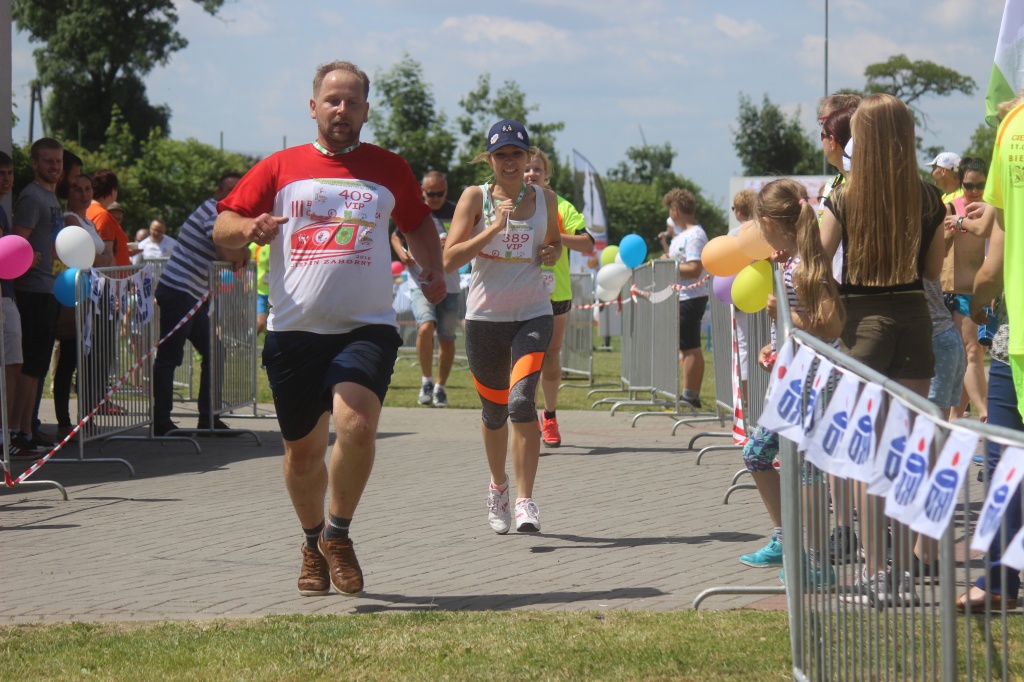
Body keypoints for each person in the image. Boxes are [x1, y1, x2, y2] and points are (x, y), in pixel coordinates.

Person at [213, 60, 446, 597]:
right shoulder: (279, 167)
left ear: (366, 109)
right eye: (332, 100)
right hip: (294, 333)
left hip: (365, 327)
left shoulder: (388, 168)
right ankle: (311, 540)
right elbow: (224, 228)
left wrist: (434, 273)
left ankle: (338, 535)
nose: (342, 110)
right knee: (302, 454)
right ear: (313, 105)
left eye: (353, 101)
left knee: (357, 424)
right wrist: (249, 225)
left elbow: (418, 223)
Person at [820, 93, 946, 606]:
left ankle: (875, 572)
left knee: (868, 457)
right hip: (915, 318)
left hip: (863, 321)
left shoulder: (845, 195)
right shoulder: (927, 197)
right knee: (905, 451)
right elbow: (933, 273)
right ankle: (901, 569)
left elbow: (819, 261)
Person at [444, 118, 561, 534]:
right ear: (489, 159)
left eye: (517, 154)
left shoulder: (545, 198)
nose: (510, 162)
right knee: (494, 412)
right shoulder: (474, 198)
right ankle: (498, 488)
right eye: (501, 155)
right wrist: (493, 228)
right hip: (485, 318)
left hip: (532, 313)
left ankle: (527, 501)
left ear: (529, 158)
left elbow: (553, 244)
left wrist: (550, 252)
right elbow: (449, 258)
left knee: (521, 402)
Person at [738, 178, 844, 588]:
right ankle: (787, 540)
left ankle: (817, 563)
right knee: (758, 454)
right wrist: (776, 344)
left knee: (808, 474)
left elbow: (832, 322)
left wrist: (784, 315)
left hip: (812, 383)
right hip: (795, 379)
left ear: (768, 221)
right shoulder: (793, 260)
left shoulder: (806, 267)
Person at [152, 174, 250, 436]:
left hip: (193, 295)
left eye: (237, 191)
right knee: (170, 356)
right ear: (218, 190)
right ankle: (161, 422)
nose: (233, 196)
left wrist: (239, 251)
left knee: (215, 351)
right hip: (178, 292)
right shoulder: (215, 212)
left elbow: (230, 251)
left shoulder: (225, 215)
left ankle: (208, 418)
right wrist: (246, 252)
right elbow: (226, 253)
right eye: (229, 190)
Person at [524, 149, 594, 446]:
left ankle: (549, 416)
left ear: (547, 174)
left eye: (537, 169)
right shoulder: (509, 205)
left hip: (555, 293)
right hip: (518, 291)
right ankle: (525, 417)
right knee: (525, 359)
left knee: (551, 357)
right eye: (527, 169)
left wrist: (553, 235)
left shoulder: (562, 207)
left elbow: (588, 244)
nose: (531, 174)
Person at [52, 163, 117, 439]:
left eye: (88, 188)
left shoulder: (88, 220)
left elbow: (107, 258)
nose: (83, 193)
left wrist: (101, 259)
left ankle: (86, 418)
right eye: (77, 188)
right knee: (68, 360)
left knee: (89, 361)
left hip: (95, 297)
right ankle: (64, 422)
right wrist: (102, 259)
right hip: (74, 298)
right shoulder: (70, 218)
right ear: (68, 191)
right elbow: (92, 258)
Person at [390, 170, 462, 408]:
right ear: (422, 192)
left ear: (446, 190)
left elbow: (473, 235)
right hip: (420, 281)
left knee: (447, 339)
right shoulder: (416, 211)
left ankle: (441, 387)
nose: (435, 198)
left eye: (440, 193)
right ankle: (426, 381)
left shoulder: (456, 211)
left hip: (451, 284)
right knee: (425, 327)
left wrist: (452, 240)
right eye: (430, 194)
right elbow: (396, 236)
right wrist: (402, 253)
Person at [10, 138, 64, 455]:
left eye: (57, 162)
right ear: (34, 163)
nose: (54, 167)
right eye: (48, 162)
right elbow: (17, 244)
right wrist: (29, 258)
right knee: (31, 365)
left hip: (50, 289)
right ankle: (19, 431)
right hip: (33, 291)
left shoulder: (50, 195)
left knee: (38, 366)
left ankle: (27, 429)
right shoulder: (32, 197)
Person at [939, 156, 989, 422]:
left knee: (974, 357)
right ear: (960, 182)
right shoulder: (951, 206)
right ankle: (985, 413)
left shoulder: (993, 208)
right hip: (959, 291)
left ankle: (954, 421)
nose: (974, 192)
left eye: (980, 185)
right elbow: (935, 246)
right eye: (969, 185)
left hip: (987, 291)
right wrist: (954, 224)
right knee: (971, 353)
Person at [660, 188, 708, 410]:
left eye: (670, 209)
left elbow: (695, 268)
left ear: (676, 210)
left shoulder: (695, 234)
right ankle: (688, 395)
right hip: (680, 296)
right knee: (686, 346)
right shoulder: (681, 236)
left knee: (690, 347)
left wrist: (671, 265)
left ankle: (691, 396)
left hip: (691, 296)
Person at [0, 150, 30, 459]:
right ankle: (4, 434)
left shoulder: (3, 211)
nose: (7, 179)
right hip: (3, 298)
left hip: (7, 294)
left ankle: (6, 433)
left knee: (14, 362)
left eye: (10, 173)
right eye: (1, 174)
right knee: (10, 363)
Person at [87, 170, 131, 267]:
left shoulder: (86, 210)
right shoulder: (102, 215)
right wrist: (115, 281)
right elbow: (107, 253)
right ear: (113, 191)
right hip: (112, 279)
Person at [248, 238, 271, 335]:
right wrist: (246, 283)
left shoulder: (285, 243)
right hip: (259, 291)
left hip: (277, 292)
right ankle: (247, 343)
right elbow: (245, 263)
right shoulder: (257, 245)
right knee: (260, 322)